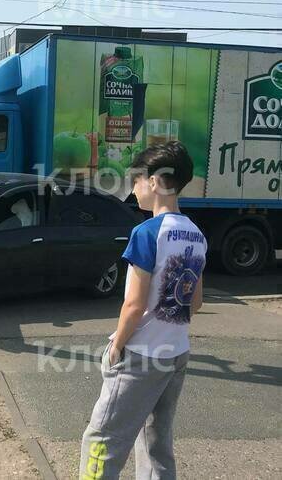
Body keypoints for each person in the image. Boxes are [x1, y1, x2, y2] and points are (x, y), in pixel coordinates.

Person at [80, 141, 207, 480]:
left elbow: (133, 304)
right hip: (176, 351)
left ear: (154, 181)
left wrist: (116, 345)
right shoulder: (196, 234)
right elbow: (194, 302)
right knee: (156, 443)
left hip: (141, 355)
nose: (133, 190)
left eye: (136, 181)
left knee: (102, 439)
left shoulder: (146, 233)